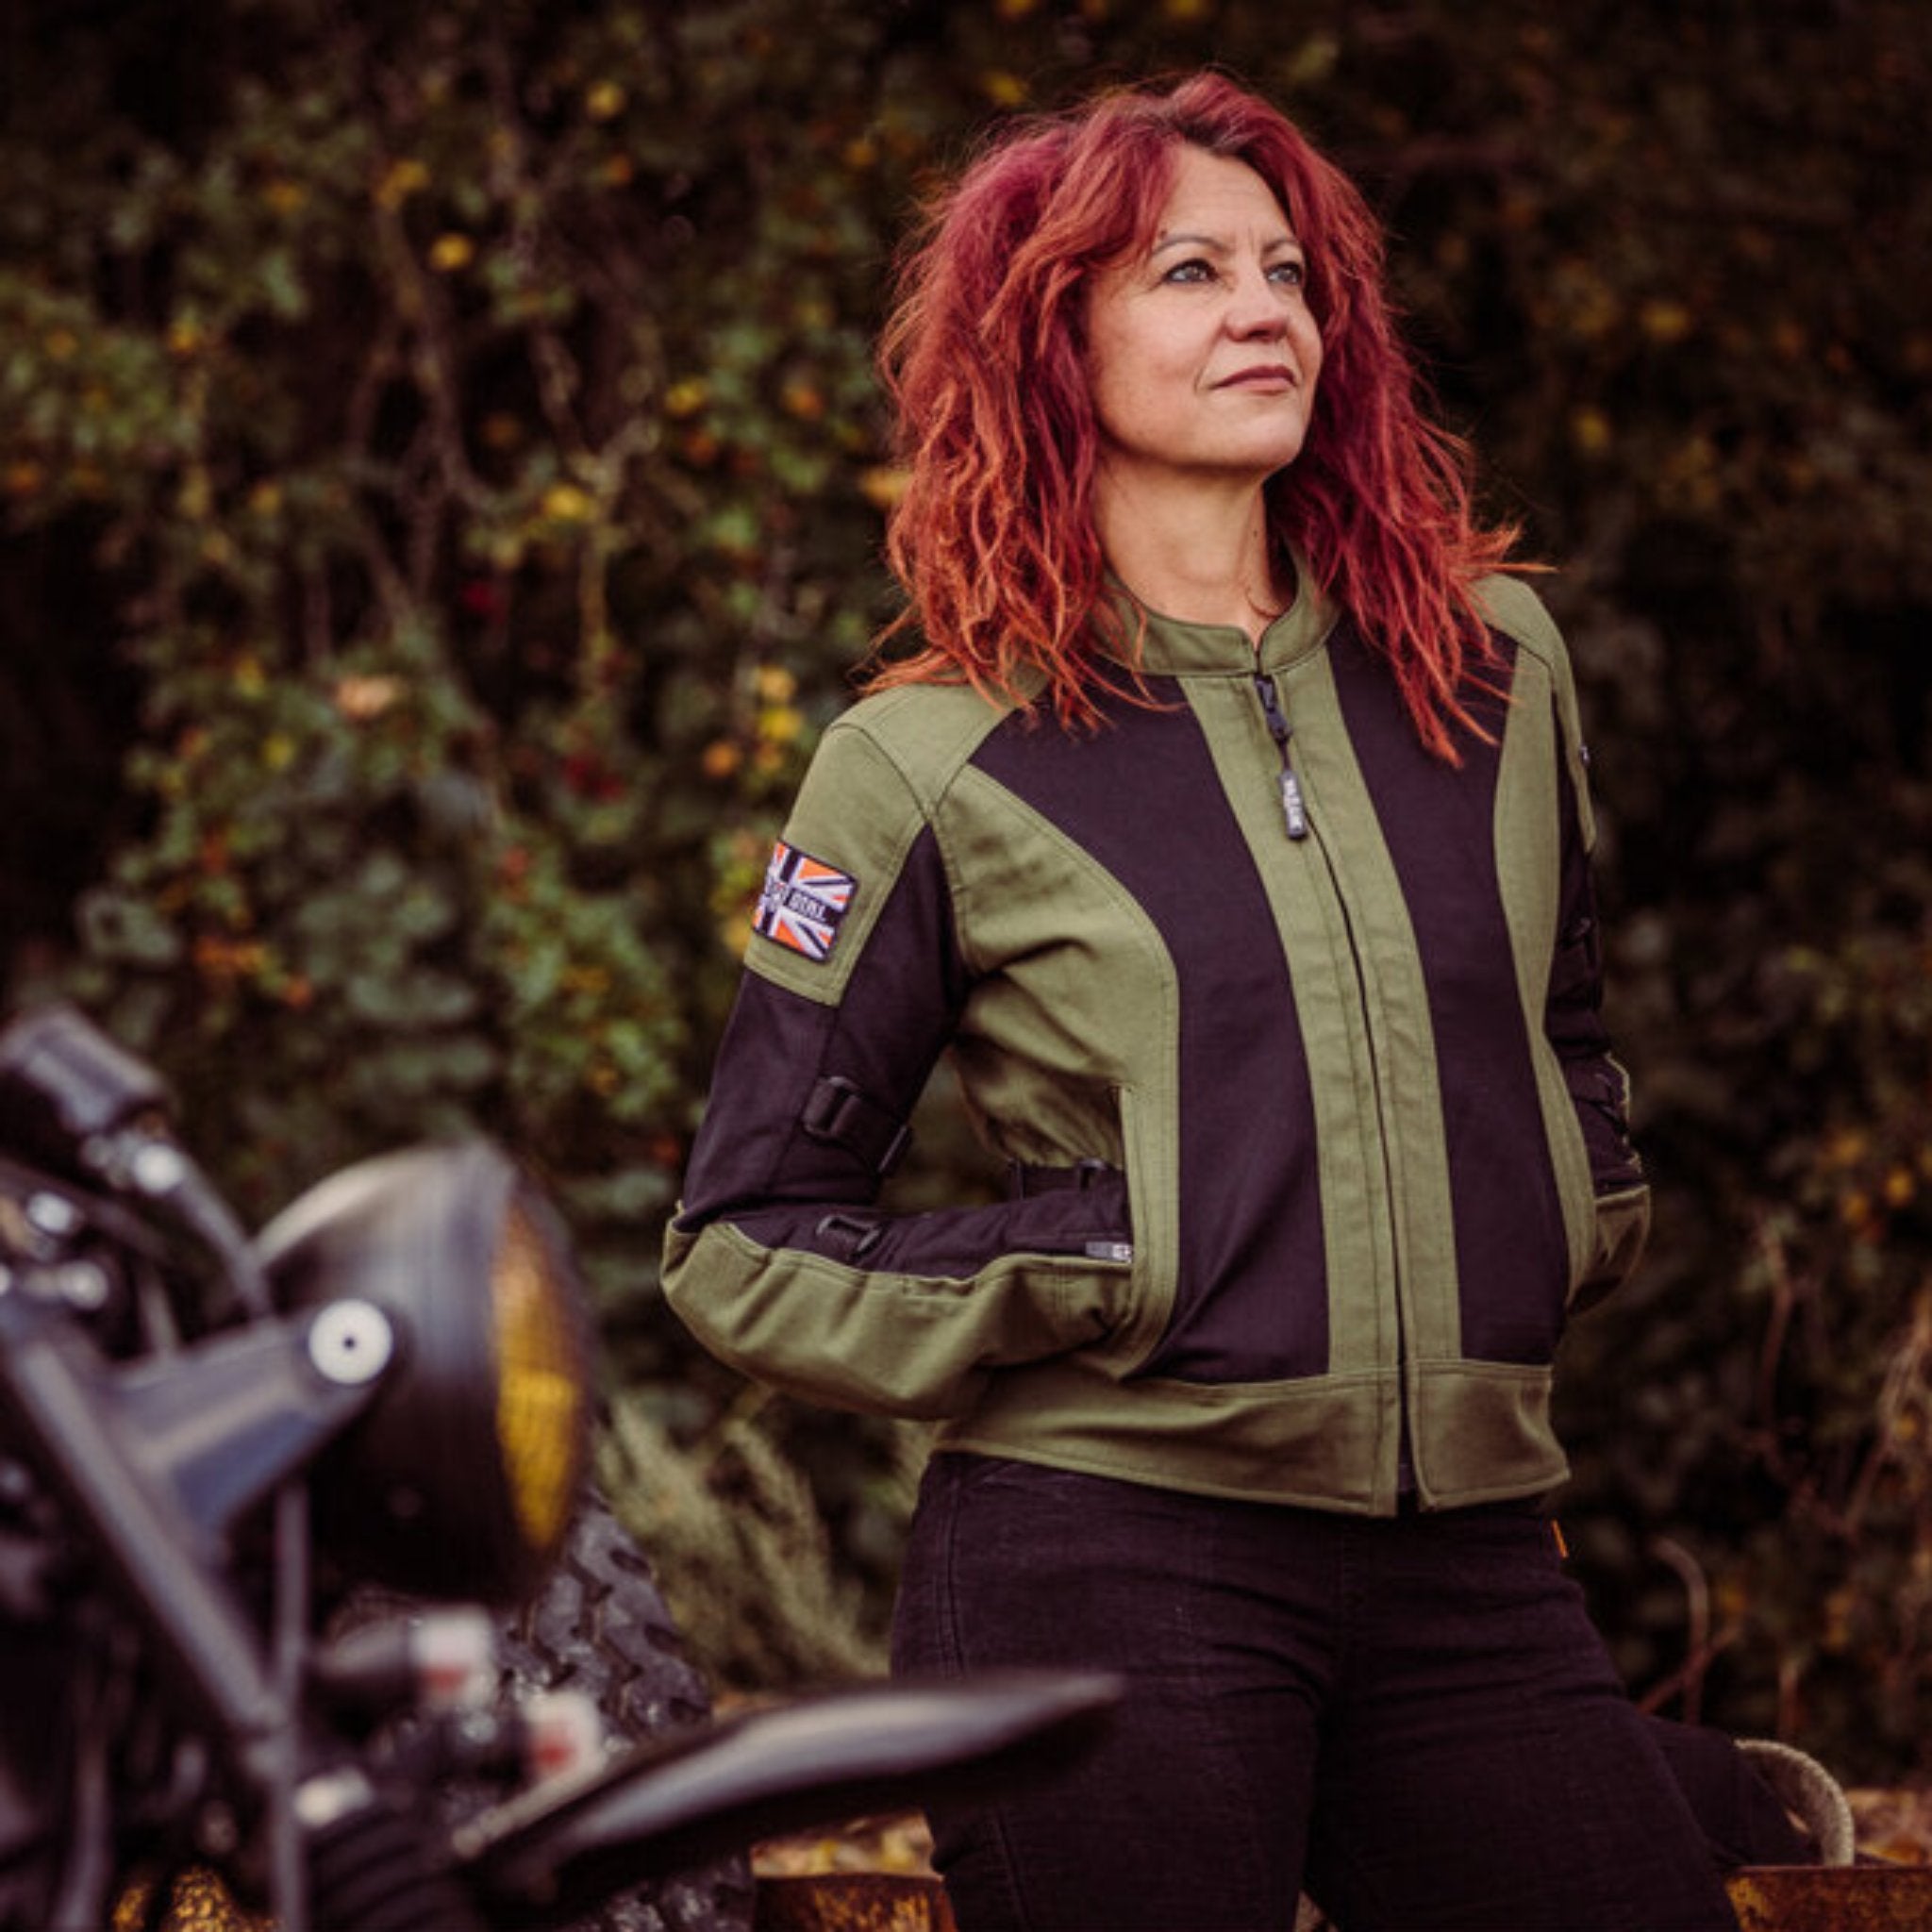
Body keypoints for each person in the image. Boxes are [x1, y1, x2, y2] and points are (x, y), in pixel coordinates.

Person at [662, 71, 1747, 1931]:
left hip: (1469, 1565)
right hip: (1103, 1572)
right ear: (1049, 340)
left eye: (1284, 271)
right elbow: (739, 1239)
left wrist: (1560, 1213)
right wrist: (1098, 1264)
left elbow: (1564, 1037)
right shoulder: (930, 758)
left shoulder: (1494, 672)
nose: (1264, 309)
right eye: (1186, 272)